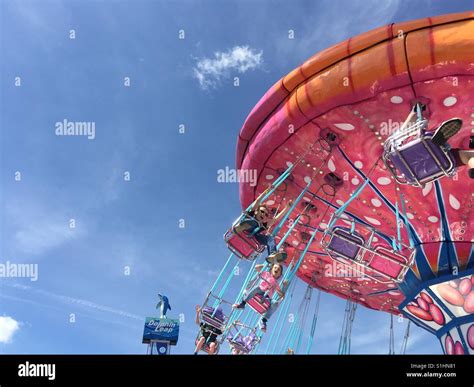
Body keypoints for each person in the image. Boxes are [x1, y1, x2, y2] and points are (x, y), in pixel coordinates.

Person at [235, 188, 293, 262]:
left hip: (254, 237)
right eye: (262, 211)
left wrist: (287, 208)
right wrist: (265, 192)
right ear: (256, 211)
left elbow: (275, 219)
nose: (263, 214)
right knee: (252, 222)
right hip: (245, 228)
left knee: (270, 238)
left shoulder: (262, 225)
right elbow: (257, 201)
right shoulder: (251, 214)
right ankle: (241, 227)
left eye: (266, 214)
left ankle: (272, 254)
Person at [232, 263, 288, 332]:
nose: (276, 269)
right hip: (260, 292)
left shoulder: (276, 283)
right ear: (271, 269)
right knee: (258, 288)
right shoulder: (266, 274)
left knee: (275, 303)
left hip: (267, 298)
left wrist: (284, 286)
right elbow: (256, 267)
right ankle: (242, 304)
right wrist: (267, 264)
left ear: (279, 274)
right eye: (275, 267)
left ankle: (263, 320)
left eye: (278, 269)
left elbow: (281, 296)